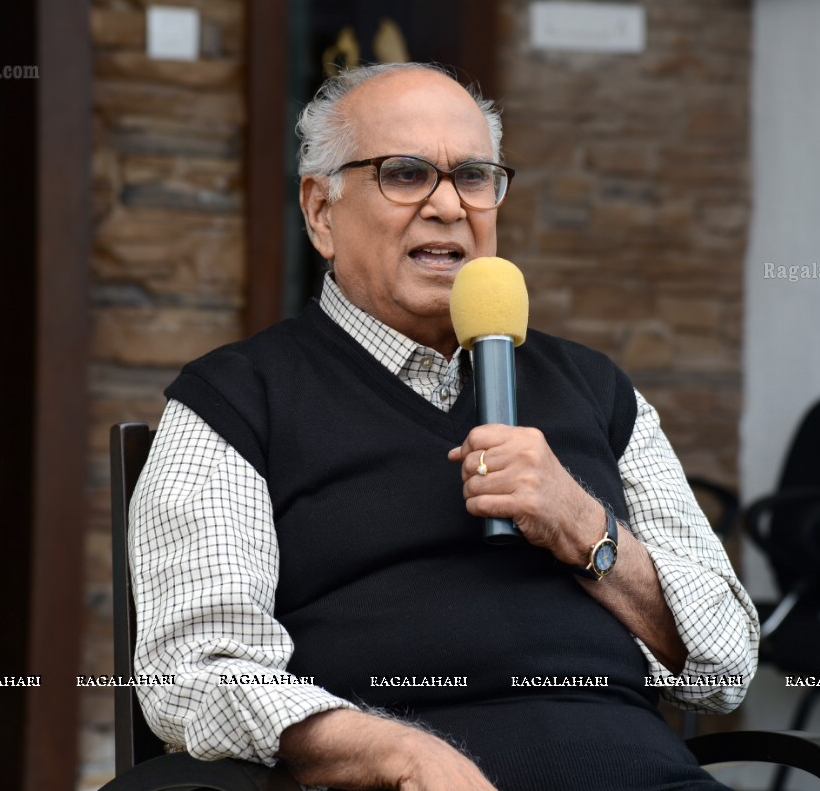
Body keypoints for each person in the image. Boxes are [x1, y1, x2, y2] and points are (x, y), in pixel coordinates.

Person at [129, 62, 759, 791]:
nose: (448, 206)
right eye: (404, 174)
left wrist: (586, 528)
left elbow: (728, 664)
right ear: (320, 212)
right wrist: (396, 754)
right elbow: (194, 674)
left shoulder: (596, 389)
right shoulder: (239, 399)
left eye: (473, 176)